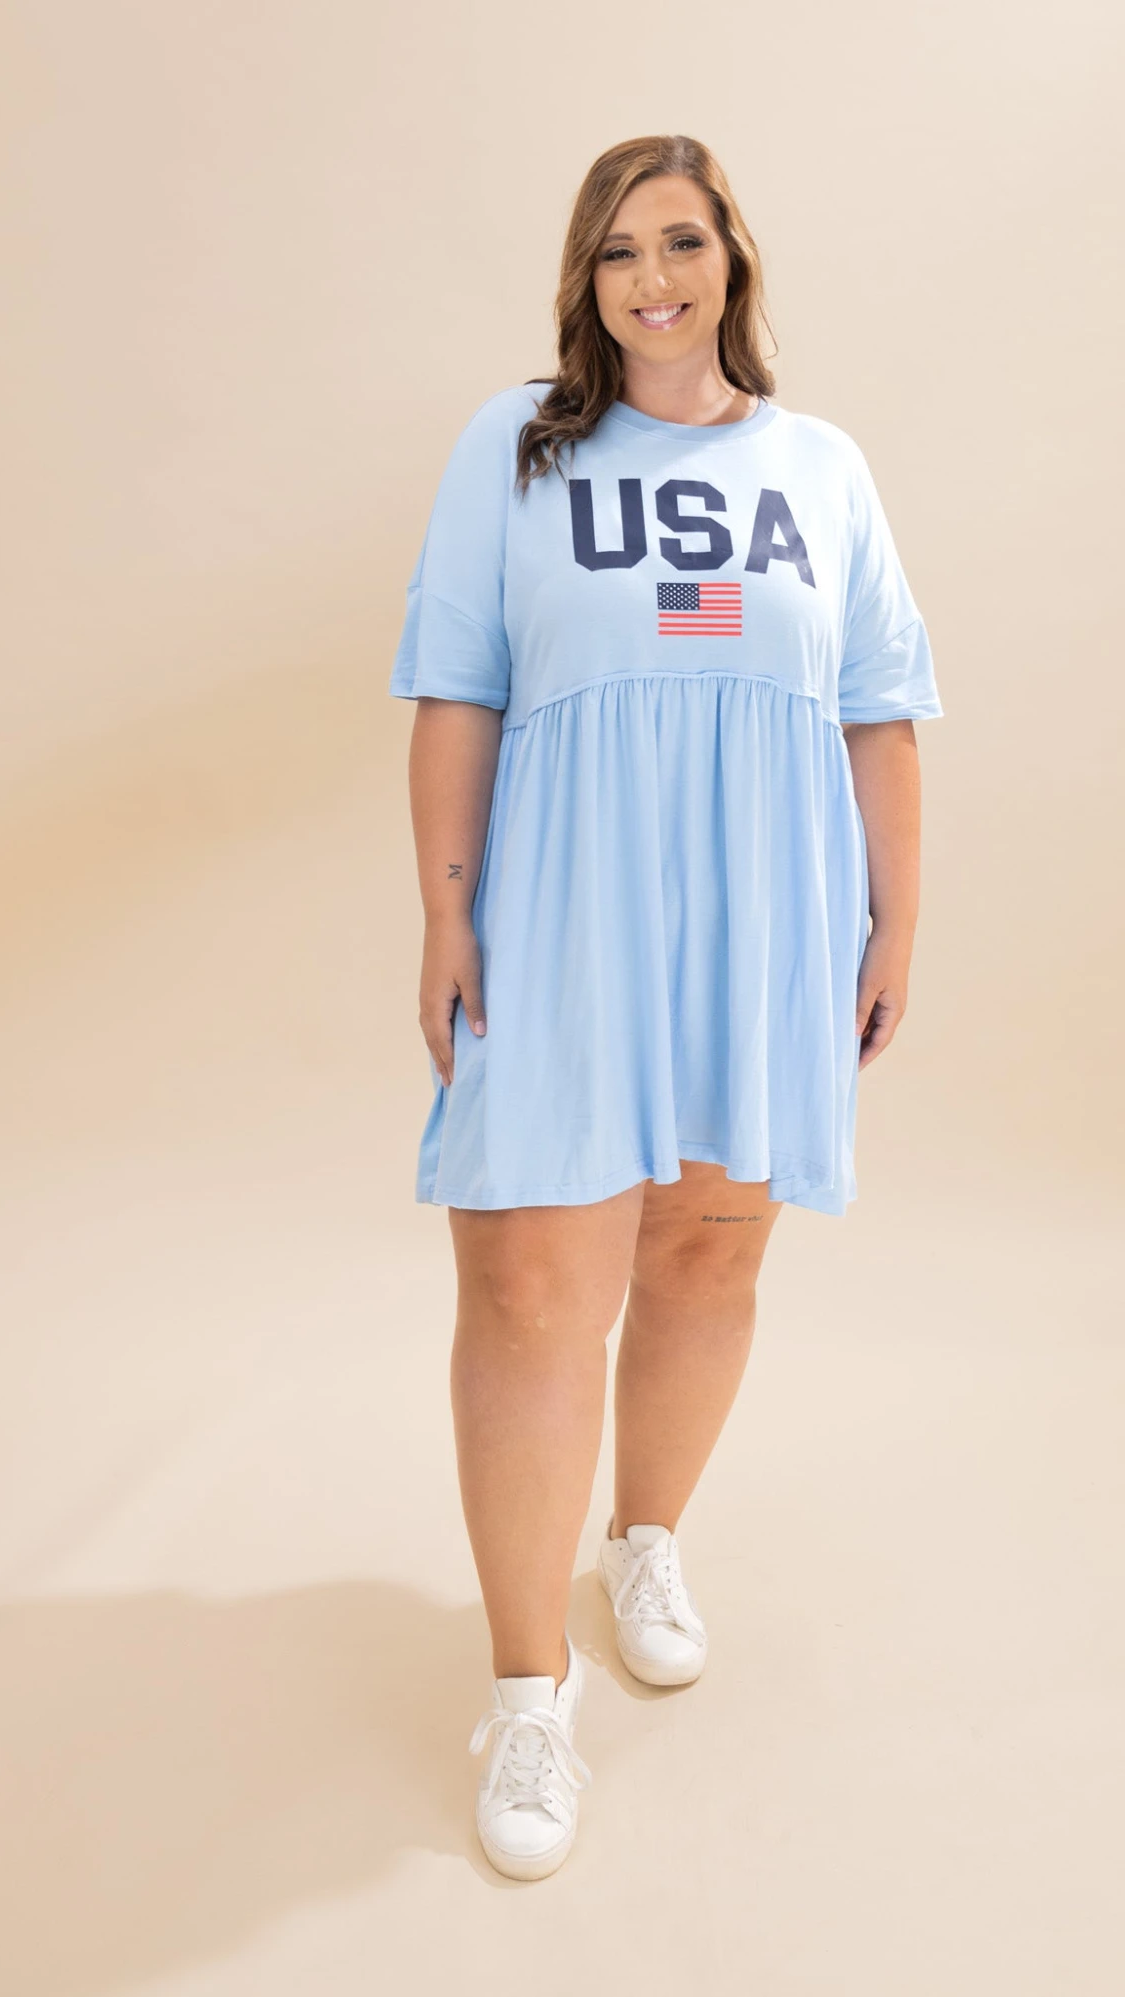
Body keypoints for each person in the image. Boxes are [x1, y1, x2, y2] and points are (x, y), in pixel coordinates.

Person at [389, 133, 944, 1880]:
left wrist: (894, 926)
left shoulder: (822, 467)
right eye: (620, 249)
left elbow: (877, 710)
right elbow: (457, 689)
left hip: (766, 920)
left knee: (709, 1250)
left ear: (732, 263)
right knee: (530, 1283)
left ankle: (643, 1540)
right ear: (587, 278)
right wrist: (447, 912)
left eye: (682, 241)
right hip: (566, 914)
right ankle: (527, 1696)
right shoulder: (518, 448)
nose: (653, 277)